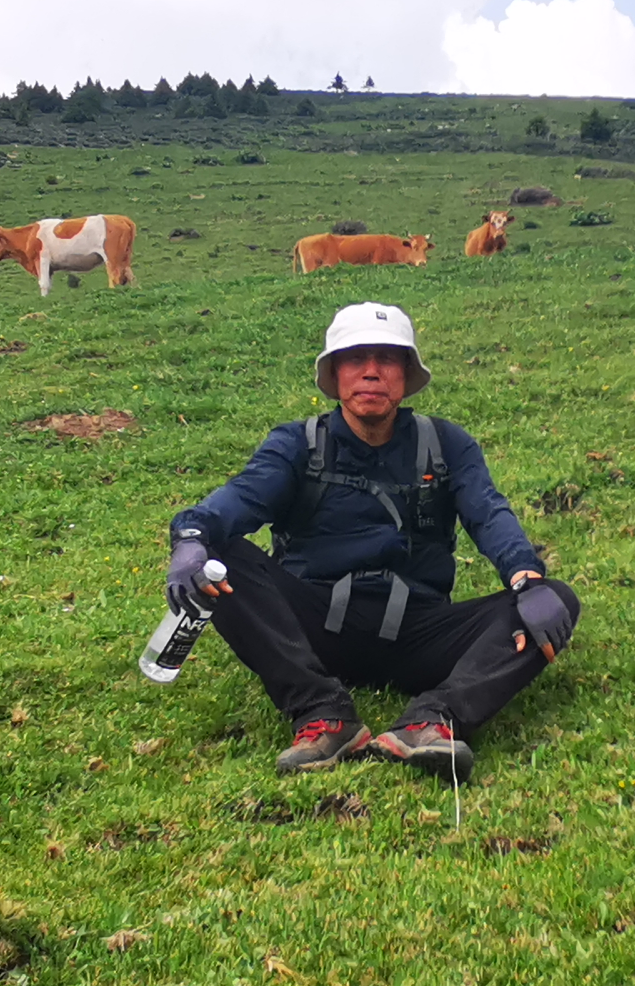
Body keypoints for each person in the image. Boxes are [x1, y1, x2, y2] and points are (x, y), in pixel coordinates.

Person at [165, 303, 577, 779]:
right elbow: (238, 499)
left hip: (422, 633)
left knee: (556, 599)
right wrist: (191, 538)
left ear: (406, 373)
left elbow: (488, 513)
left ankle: (433, 721)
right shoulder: (297, 444)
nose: (371, 372)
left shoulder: (447, 444)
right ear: (334, 373)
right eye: (355, 358)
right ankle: (322, 713)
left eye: (387, 359)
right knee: (218, 556)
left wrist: (527, 577)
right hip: (314, 629)